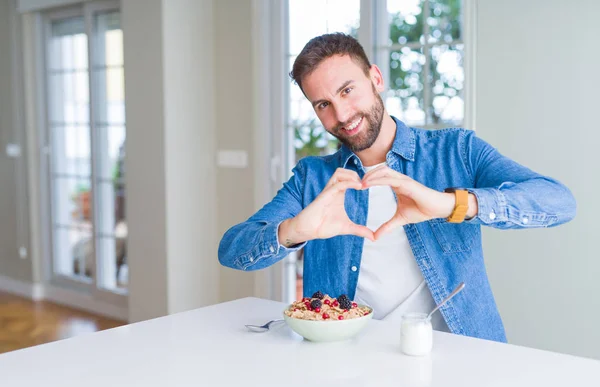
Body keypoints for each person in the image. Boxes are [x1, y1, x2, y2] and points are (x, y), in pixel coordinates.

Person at [218, 33, 576, 342]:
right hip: (348, 362)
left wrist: (449, 204)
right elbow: (232, 249)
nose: (341, 115)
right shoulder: (313, 177)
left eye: (347, 90)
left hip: (459, 358)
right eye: (323, 104)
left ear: (375, 77)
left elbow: (558, 201)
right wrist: (295, 231)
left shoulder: (458, 151)